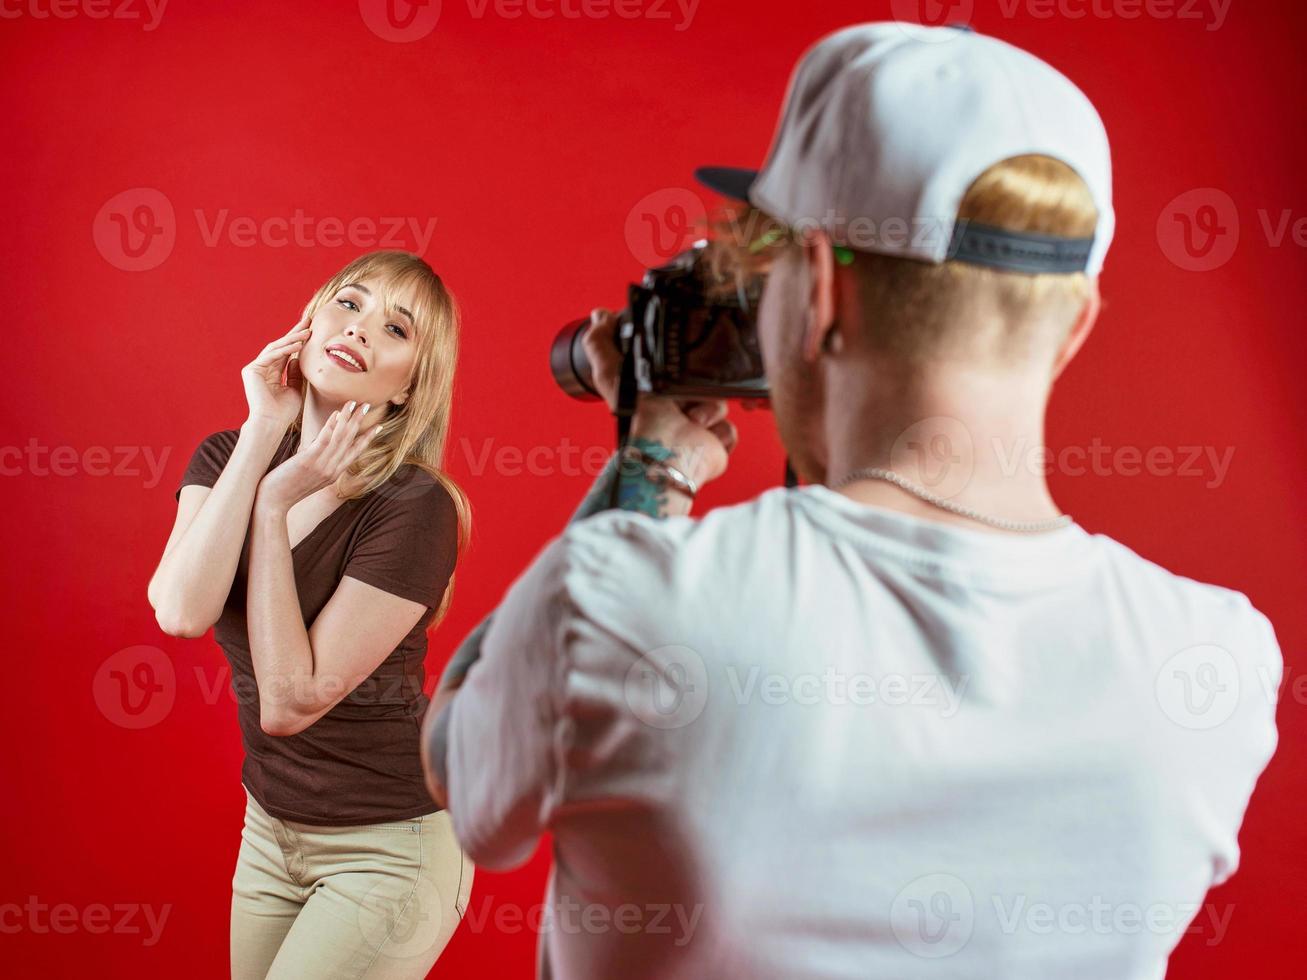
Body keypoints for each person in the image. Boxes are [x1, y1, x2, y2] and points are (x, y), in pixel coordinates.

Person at [421, 23, 1282, 980]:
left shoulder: (622, 597)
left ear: (821, 288)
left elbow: (462, 773)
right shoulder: (1221, 661)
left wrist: (649, 469)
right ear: (1074, 323)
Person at [148, 250, 477, 978]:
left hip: (387, 846)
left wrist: (274, 506)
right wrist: (265, 432)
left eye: (396, 328)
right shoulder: (228, 453)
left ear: (407, 389)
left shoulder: (413, 507)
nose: (359, 331)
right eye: (350, 304)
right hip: (269, 829)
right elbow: (180, 610)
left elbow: (291, 703)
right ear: (309, 320)